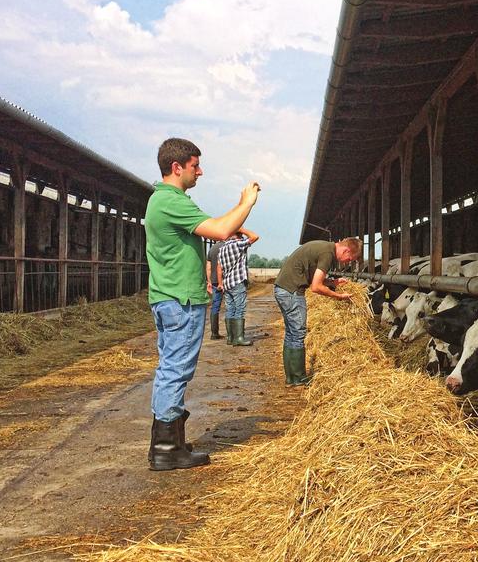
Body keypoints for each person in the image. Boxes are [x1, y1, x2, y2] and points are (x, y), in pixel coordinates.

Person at [144, 137, 261, 472]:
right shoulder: (171, 201)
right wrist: (247, 202)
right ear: (177, 167)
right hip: (181, 300)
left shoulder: (162, 201)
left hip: (168, 296)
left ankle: (171, 440)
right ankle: (166, 448)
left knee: (169, 368)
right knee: (176, 370)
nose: (200, 171)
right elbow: (223, 229)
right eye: (195, 165)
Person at [274, 237, 361, 386]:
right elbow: (316, 287)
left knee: (291, 334)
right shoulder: (328, 254)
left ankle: (291, 377)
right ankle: (298, 377)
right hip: (292, 291)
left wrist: (333, 282)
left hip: (283, 288)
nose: (347, 262)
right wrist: (339, 297)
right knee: (298, 333)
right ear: (346, 250)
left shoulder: (324, 247)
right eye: (349, 259)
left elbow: (314, 279)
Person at [218, 228, 259, 346]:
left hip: (227, 284)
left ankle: (230, 338)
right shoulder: (238, 244)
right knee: (239, 310)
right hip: (237, 282)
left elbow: (219, 268)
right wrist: (240, 228)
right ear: (239, 235)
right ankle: (239, 338)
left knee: (230, 309)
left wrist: (221, 284)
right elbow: (254, 237)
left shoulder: (222, 248)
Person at [205, 240, 224, 340]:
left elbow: (208, 266)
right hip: (224, 280)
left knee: (215, 306)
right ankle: (233, 334)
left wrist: (209, 281)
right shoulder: (225, 246)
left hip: (214, 281)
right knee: (232, 305)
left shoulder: (212, 249)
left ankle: (214, 333)